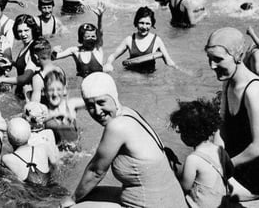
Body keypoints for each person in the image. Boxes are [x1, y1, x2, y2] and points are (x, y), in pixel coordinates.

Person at [60, 72, 185, 207]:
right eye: (90, 106)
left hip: (152, 204)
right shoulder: (129, 113)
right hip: (172, 201)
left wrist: (72, 199)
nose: (97, 111)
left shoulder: (117, 126)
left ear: (114, 97)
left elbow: (96, 171)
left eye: (101, 102)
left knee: (71, 206)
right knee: (89, 193)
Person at [206, 27, 259, 201]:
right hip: (235, 164)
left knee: (202, 191)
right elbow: (221, 127)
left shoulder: (254, 91)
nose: (212, 66)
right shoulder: (228, 82)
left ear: (238, 56)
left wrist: (225, 166)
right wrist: (215, 158)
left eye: (218, 59)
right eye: (209, 59)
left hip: (254, 176)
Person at [169, 98, 234, 208]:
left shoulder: (193, 159)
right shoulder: (220, 150)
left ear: (187, 135)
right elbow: (230, 171)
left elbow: (185, 186)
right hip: (221, 204)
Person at [105, 7, 177, 74]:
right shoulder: (129, 40)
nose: (144, 27)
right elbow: (113, 56)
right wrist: (108, 64)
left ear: (152, 24)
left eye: (147, 23)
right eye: (141, 23)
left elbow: (168, 61)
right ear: (136, 22)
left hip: (150, 77)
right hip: (132, 76)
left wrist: (177, 70)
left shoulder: (157, 40)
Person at [53, 3, 108, 77]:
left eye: (93, 36)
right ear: (81, 38)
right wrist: (53, 51)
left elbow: (100, 33)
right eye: (88, 36)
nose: (91, 38)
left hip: (98, 83)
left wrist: (100, 17)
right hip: (84, 84)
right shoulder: (74, 50)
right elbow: (54, 58)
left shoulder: (97, 48)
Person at [2, 117, 55, 185]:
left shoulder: (7, 159)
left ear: (9, 139)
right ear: (29, 134)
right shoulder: (43, 148)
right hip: (52, 187)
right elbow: (54, 164)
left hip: (32, 193)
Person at [42, 68, 84, 147]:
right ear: (44, 91)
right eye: (51, 90)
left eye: (59, 89)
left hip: (76, 152)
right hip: (56, 152)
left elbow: (90, 101)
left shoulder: (71, 105)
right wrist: (55, 114)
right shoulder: (43, 111)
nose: (55, 94)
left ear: (64, 90)